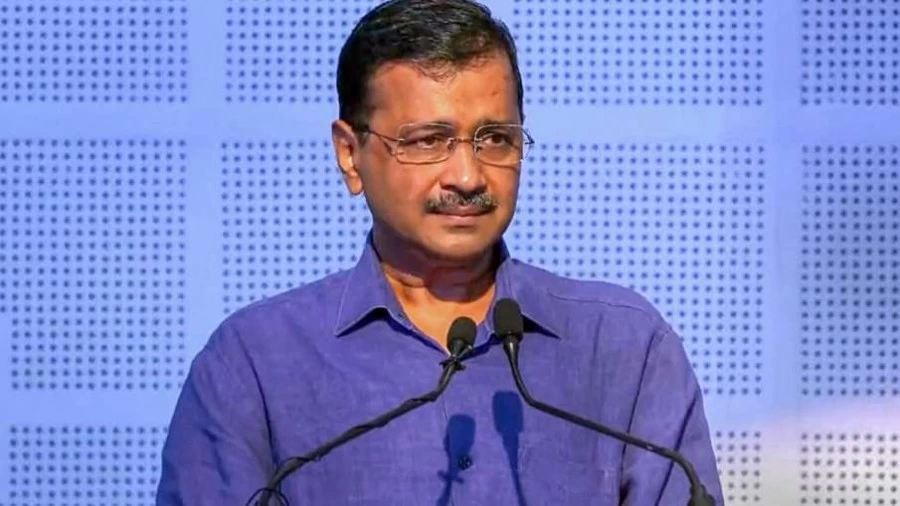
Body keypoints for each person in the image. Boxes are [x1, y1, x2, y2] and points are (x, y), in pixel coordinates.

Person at [156, 0, 724, 504]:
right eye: (429, 141)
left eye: (495, 138)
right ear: (350, 155)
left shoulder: (625, 348)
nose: (468, 176)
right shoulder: (253, 365)